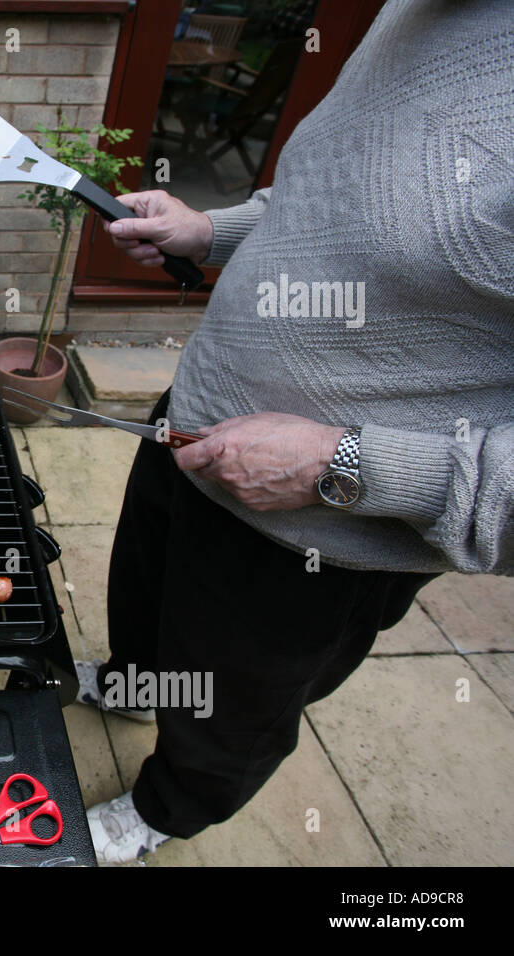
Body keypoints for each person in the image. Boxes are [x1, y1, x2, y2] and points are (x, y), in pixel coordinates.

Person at [78, 0, 514, 864]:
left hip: (323, 526)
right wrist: (209, 232)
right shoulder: (418, 14)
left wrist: (344, 463)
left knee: (231, 704)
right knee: (146, 598)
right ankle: (135, 685)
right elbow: (325, 194)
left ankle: (165, 812)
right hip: (192, 423)